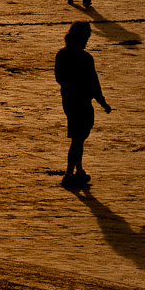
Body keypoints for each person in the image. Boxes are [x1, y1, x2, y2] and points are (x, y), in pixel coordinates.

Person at [55, 21, 111, 189]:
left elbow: (59, 78)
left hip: (68, 101)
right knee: (78, 138)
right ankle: (69, 173)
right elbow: (94, 83)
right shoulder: (86, 58)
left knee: (77, 137)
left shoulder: (62, 55)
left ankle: (77, 170)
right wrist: (102, 102)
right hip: (82, 102)